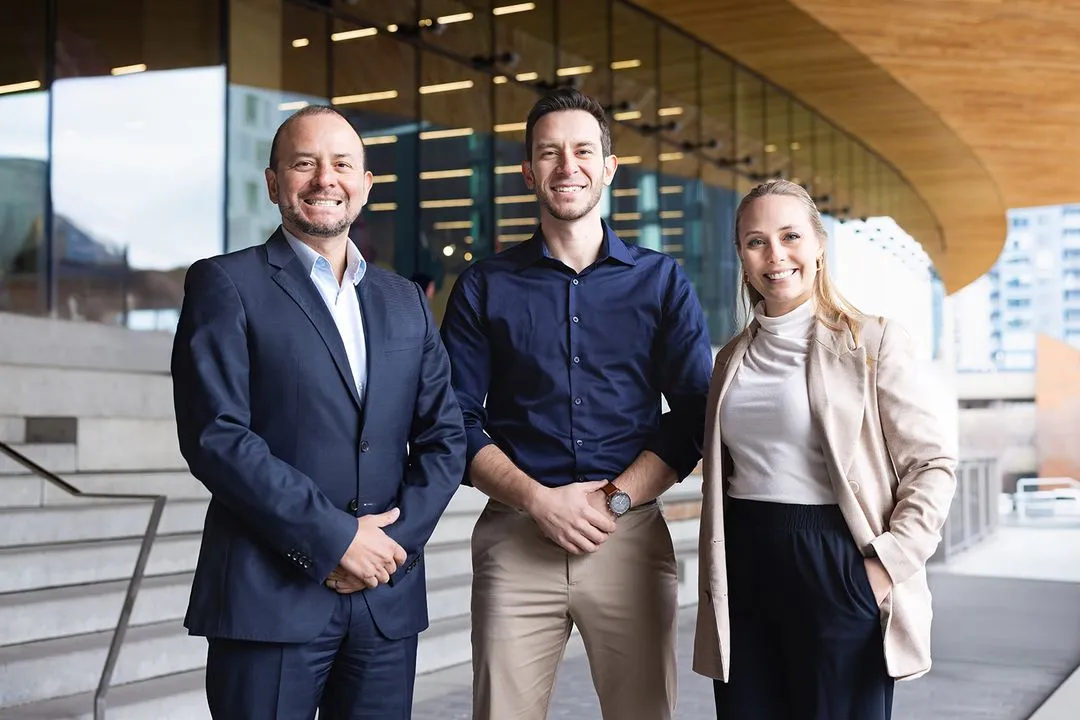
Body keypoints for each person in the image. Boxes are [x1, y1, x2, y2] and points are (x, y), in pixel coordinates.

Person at [171, 105, 466, 720]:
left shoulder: (405, 300)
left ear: (365, 183)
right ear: (274, 182)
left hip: (386, 599)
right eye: (304, 163)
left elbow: (444, 436)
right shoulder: (224, 284)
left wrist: (388, 547)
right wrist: (333, 542)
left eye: (341, 164)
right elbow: (216, 437)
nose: (324, 178)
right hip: (268, 599)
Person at [441, 88, 713, 720]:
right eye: (550, 153)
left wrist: (614, 498)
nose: (568, 166)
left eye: (583, 150)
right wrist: (538, 500)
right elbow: (454, 419)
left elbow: (695, 413)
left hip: (628, 535)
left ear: (609, 166)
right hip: (516, 538)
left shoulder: (662, 281)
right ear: (529, 171)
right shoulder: (485, 286)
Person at [693, 179, 957, 720]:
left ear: (818, 247)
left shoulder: (873, 342)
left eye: (790, 236)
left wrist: (884, 568)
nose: (775, 255)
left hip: (837, 558)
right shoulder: (729, 362)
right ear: (741, 258)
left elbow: (932, 466)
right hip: (747, 562)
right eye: (755, 241)